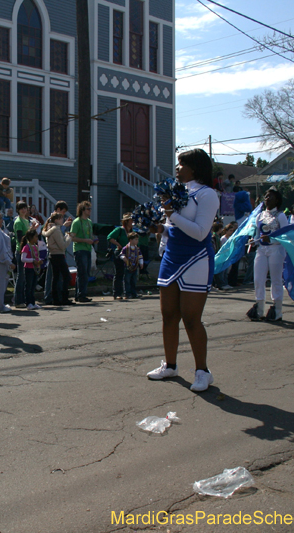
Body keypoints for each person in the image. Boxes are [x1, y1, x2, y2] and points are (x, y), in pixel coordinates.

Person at [146, 149, 219, 392]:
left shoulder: (208, 195)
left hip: (196, 258)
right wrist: (159, 228)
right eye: (177, 164)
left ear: (194, 168)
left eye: (181, 164)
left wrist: (171, 214)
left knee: (190, 318)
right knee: (168, 315)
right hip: (172, 257)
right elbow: (172, 228)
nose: (177, 169)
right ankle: (170, 365)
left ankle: (202, 371)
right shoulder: (177, 193)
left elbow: (200, 232)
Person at [246, 188, 290, 321]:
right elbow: (257, 234)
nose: (267, 198)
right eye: (265, 196)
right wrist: (254, 240)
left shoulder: (281, 216)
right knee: (258, 279)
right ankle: (259, 309)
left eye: (270, 196)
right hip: (261, 250)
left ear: (277, 200)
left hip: (276, 250)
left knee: (276, 280)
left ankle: (277, 311)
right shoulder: (260, 215)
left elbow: (286, 236)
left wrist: (271, 239)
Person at [43, 201, 71, 304]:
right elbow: (60, 241)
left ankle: (55, 297)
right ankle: (55, 297)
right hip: (57, 253)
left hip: (54, 253)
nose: (64, 215)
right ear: (58, 210)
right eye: (63, 212)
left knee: (56, 276)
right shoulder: (54, 226)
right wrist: (69, 236)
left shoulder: (53, 225)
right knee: (57, 276)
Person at [12, 200, 38, 308]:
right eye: (21, 208)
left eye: (25, 208)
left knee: (29, 277)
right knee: (21, 276)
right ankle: (18, 300)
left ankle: (29, 300)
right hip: (21, 251)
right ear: (17, 210)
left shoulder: (26, 220)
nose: (24, 210)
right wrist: (31, 230)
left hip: (29, 250)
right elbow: (20, 238)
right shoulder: (18, 222)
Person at [71, 201, 96, 303]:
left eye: (90, 209)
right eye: (87, 209)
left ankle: (80, 294)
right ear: (82, 210)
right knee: (82, 273)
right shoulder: (76, 222)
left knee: (85, 272)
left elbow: (90, 235)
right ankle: (81, 295)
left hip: (88, 249)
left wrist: (93, 239)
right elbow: (72, 237)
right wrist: (85, 240)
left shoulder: (89, 222)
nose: (90, 211)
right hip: (79, 249)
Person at [108, 214, 132, 300]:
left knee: (128, 273)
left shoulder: (131, 231)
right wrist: (118, 244)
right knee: (119, 273)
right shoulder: (120, 230)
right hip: (120, 253)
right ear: (126, 222)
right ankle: (116, 293)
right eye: (130, 220)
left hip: (129, 254)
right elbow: (109, 237)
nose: (132, 222)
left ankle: (128, 292)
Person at [20, 229, 42, 310]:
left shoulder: (35, 246)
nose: (37, 238)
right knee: (28, 286)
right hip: (28, 269)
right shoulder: (26, 247)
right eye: (36, 236)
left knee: (33, 286)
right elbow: (23, 259)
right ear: (31, 237)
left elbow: (36, 256)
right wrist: (32, 260)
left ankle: (33, 302)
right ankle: (28, 303)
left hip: (34, 269)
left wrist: (39, 261)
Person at [120, 232, 143, 299]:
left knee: (134, 281)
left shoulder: (137, 249)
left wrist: (141, 263)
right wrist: (124, 258)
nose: (137, 241)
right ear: (130, 240)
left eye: (137, 239)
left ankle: (134, 293)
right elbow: (121, 254)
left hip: (135, 267)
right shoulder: (126, 248)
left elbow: (140, 256)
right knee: (127, 280)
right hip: (127, 267)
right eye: (135, 239)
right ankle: (127, 293)